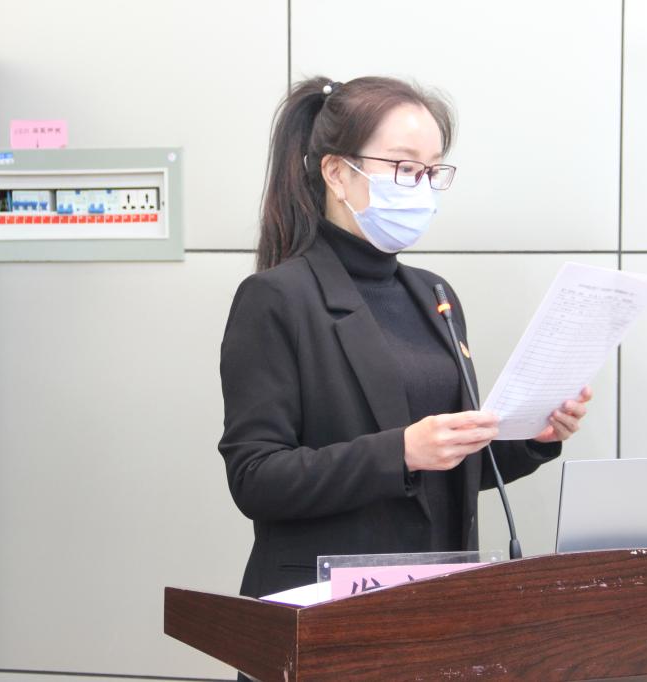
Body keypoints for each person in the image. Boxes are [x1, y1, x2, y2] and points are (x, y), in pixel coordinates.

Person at [218, 76, 593, 605]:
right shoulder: (276, 297)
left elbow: (449, 470)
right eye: (404, 167)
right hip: (325, 602)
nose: (420, 186)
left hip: (436, 598)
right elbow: (256, 478)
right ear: (336, 173)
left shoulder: (434, 294)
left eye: (432, 171)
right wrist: (401, 452)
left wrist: (535, 435)